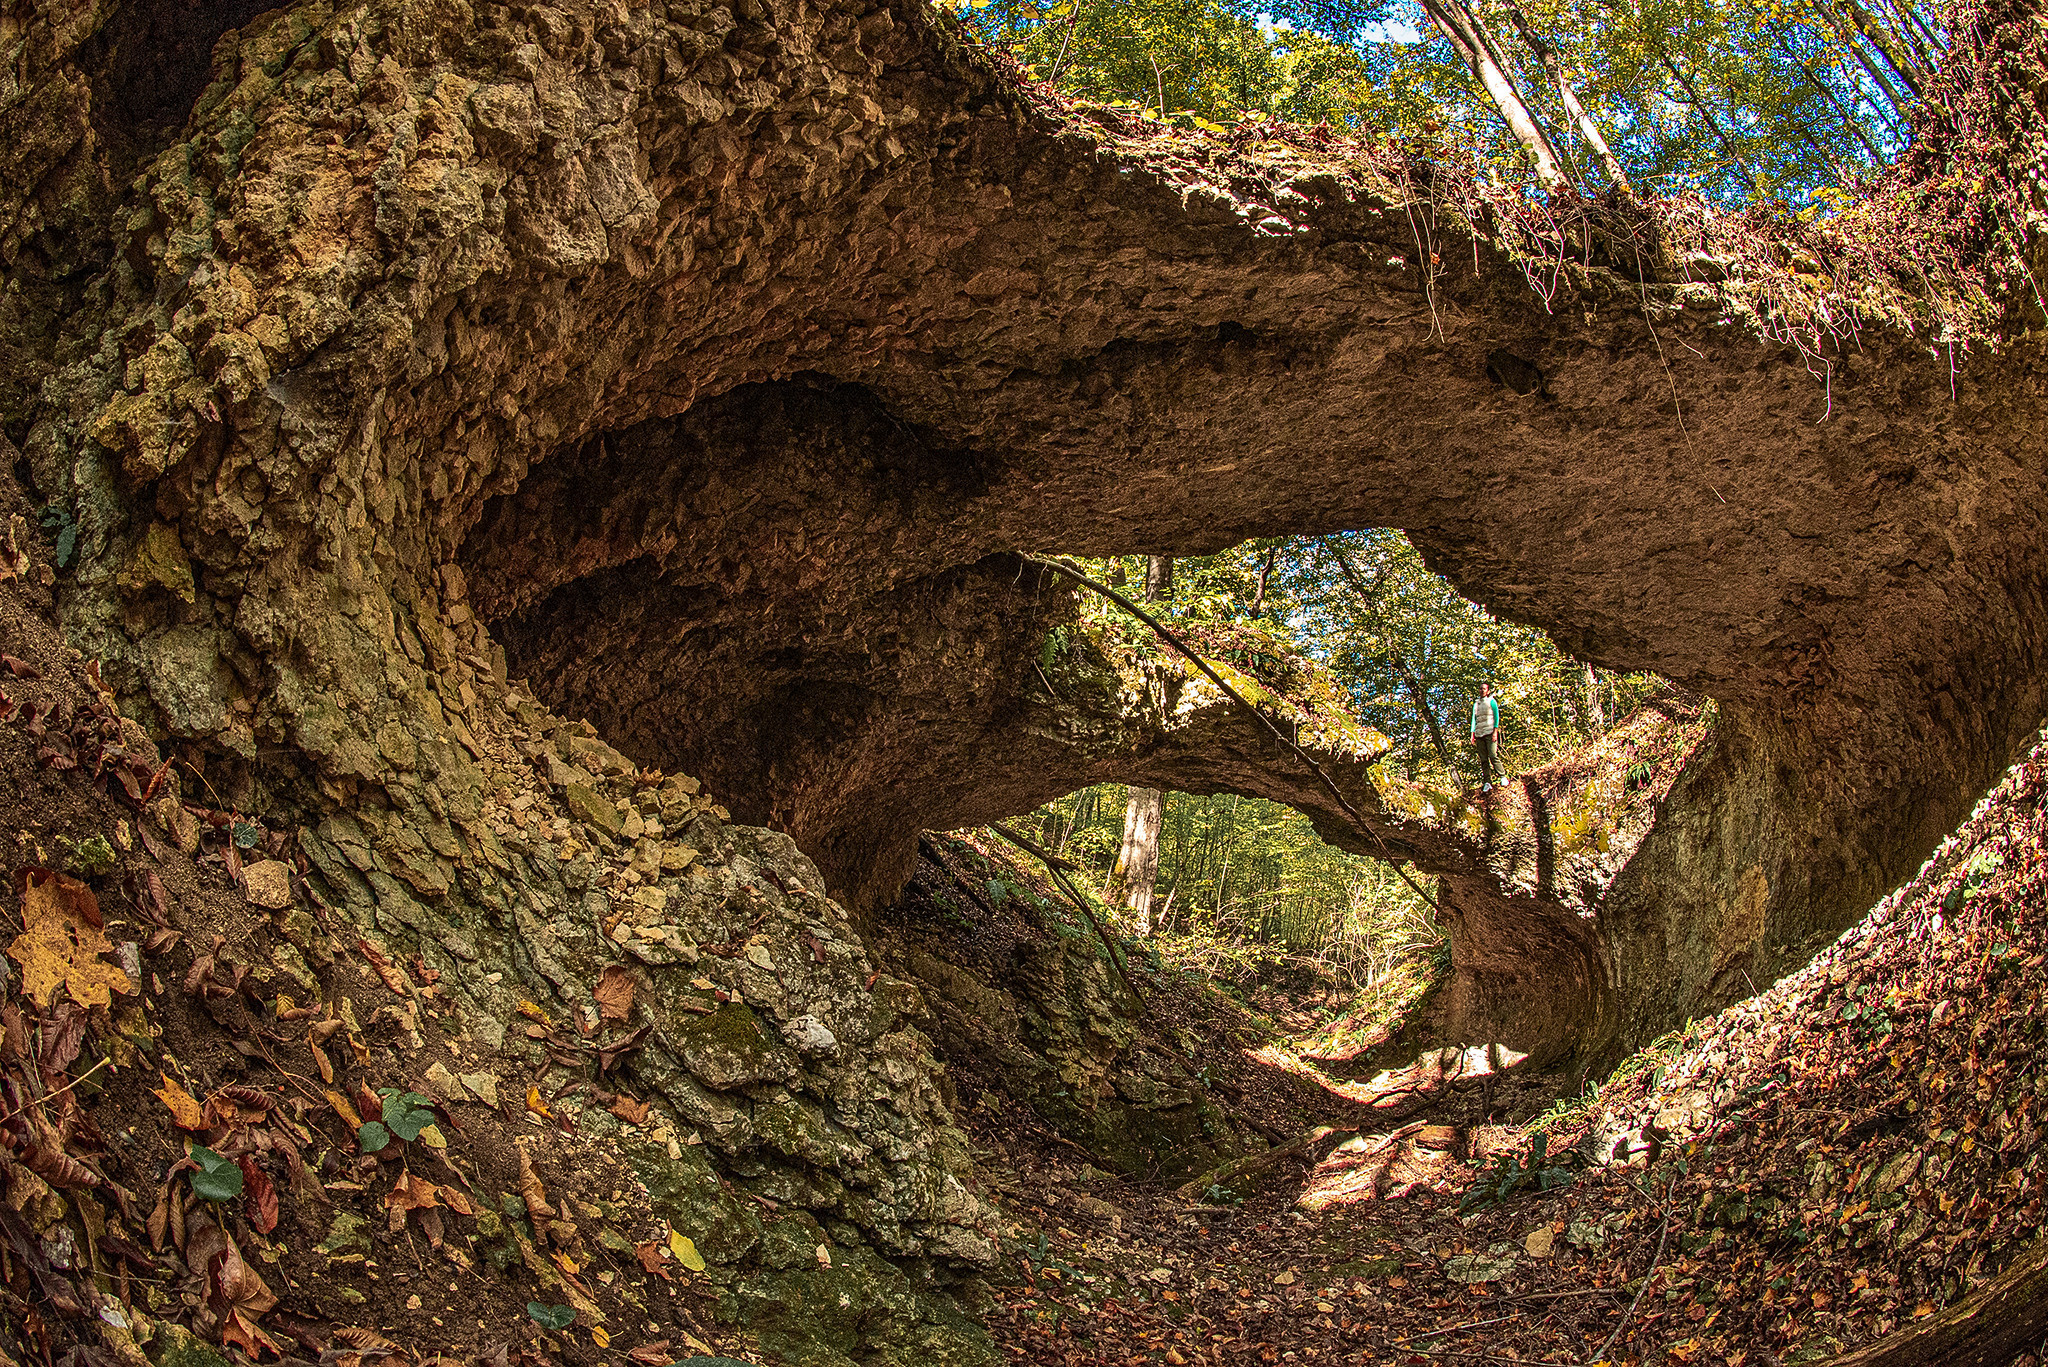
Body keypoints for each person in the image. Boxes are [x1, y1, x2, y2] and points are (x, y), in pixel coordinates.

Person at [1470, 682, 1504, 792]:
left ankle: (1502, 776)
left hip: (1490, 732)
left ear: (1488, 691)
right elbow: (1473, 720)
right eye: (1480, 688)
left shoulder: (1491, 701)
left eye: (1484, 689)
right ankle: (1487, 782)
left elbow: (1496, 717)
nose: (1482, 690)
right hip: (1479, 734)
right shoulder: (1476, 704)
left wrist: (1495, 731)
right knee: (1483, 759)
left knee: (1493, 755)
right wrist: (1472, 734)